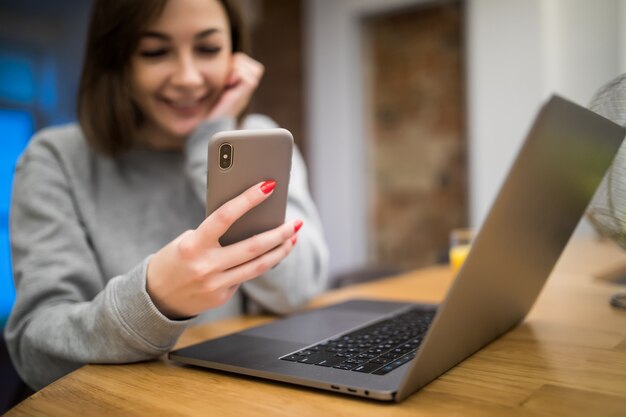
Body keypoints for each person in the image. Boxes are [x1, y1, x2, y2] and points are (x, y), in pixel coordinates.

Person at [4, 0, 329, 390]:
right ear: (118, 58)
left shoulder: (256, 137)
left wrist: (207, 145)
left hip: (229, 396)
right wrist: (156, 300)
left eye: (208, 49)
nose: (188, 77)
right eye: (155, 52)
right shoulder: (55, 159)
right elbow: (37, 352)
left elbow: (299, 290)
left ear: (235, 55)